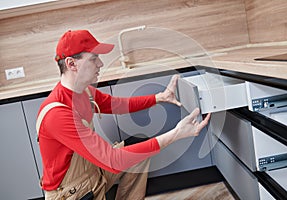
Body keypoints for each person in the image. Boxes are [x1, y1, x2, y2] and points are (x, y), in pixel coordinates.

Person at [36, 29, 211, 200]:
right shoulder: (57, 114)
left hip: (95, 173)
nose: (101, 64)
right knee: (122, 156)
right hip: (72, 194)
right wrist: (176, 134)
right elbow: (113, 160)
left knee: (138, 152)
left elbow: (118, 105)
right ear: (71, 64)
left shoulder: (84, 92)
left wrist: (160, 97)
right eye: (94, 58)